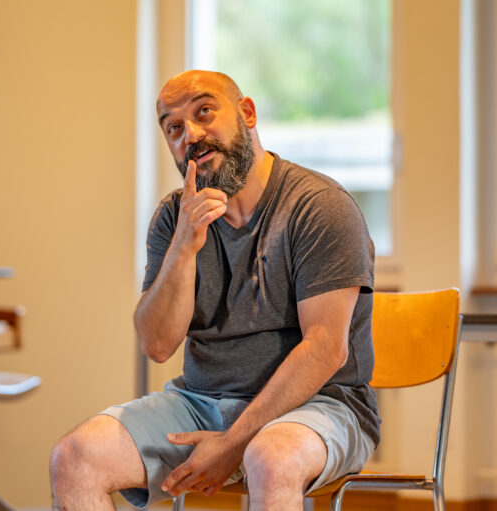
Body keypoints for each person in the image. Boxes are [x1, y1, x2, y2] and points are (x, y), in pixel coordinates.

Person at [50, 70, 380, 511]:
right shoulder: (174, 217)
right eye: (173, 128)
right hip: (201, 402)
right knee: (74, 458)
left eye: (204, 111)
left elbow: (325, 349)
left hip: (320, 405)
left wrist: (233, 442)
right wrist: (183, 247)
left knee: (271, 457)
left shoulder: (319, 206)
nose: (190, 135)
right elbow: (157, 344)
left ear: (247, 113)